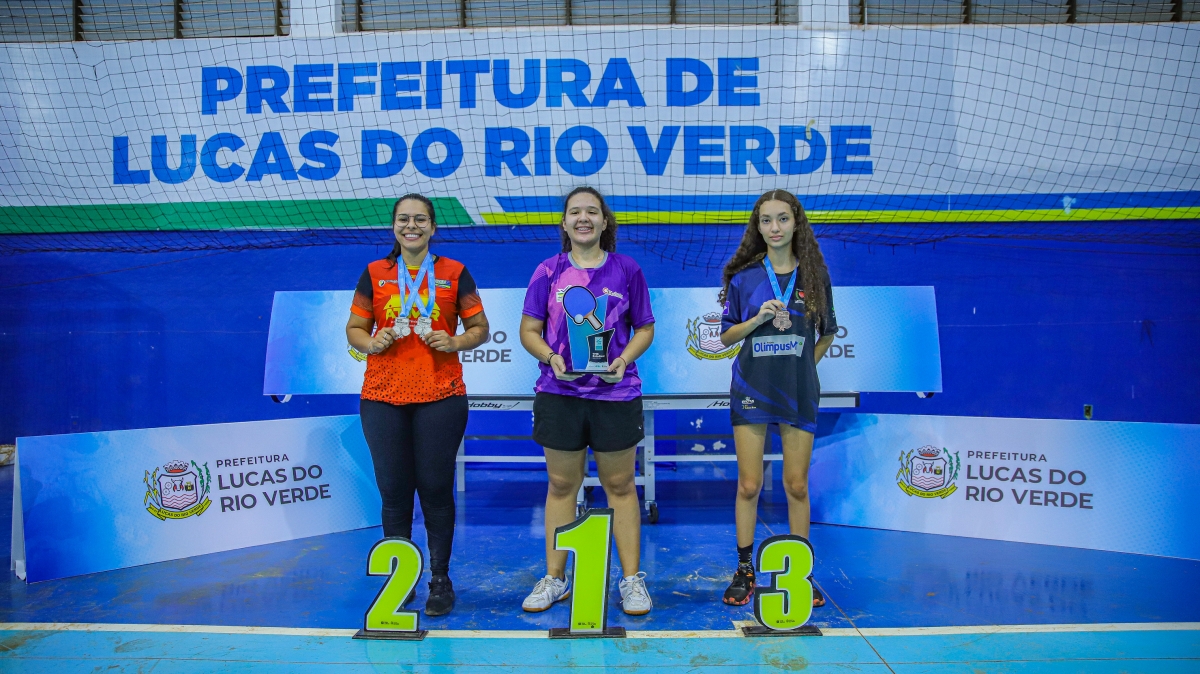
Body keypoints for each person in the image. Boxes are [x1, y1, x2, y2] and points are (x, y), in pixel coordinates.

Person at [345, 193, 490, 617]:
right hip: (383, 396)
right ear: (394, 226)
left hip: (440, 394)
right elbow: (354, 328)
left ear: (433, 227)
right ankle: (400, 579)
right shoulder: (375, 273)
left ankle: (440, 579)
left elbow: (480, 327)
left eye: (420, 219)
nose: (412, 226)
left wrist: (456, 341)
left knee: (435, 490)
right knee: (394, 492)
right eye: (404, 219)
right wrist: (371, 342)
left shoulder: (454, 272)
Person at [518, 187, 656, 616]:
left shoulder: (627, 269)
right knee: (561, 485)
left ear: (604, 221)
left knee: (621, 486)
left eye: (592, 212)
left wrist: (623, 360)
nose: (583, 218)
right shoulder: (548, 270)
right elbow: (529, 331)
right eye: (575, 212)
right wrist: (552, 357)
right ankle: (555, 578)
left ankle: (631, 580)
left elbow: (644, 328)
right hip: (559, 393)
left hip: (616, 394)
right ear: (564, 223)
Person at [717, 189, 837, 608]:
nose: (775, 227)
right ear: (758, 226)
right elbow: (726, 336)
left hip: (798, 392)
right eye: (766, 220)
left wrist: (804, 367)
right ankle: (744, 570)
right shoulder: (745, 278)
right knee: (749, 484)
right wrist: (757, 319)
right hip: (751, 389)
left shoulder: (814, 276)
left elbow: (827, 333)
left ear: (796, 223)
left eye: (782, 218)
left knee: (796, 485)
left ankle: (799, 572)